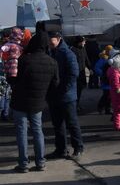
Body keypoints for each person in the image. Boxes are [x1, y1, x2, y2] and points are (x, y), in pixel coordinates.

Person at [11, 31, 59, 172]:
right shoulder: (52, 62)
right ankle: (40, 162)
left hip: (20, 101)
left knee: (22, 132)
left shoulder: (24, 60)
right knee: (38, 131)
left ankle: (23, 164)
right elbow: (55, 84)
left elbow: (15, 79)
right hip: (38, 102)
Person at [46, 31, 84, 160]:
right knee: (57, 125)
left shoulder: (67, 53)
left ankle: (78, 147)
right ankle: (61, 149)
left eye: (52, 41)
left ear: (58, 39)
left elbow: (74, 73)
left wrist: (62, 89)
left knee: (71, 123)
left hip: (67, 96)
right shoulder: (51, 52)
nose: (50, 44)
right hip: (54, 95)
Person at [70, 36, 91, 111]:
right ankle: (74, 105)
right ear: (79, 42)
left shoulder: (83, 49)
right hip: (75, 73)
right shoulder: (72, 49)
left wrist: (90, 68)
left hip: (82, 73)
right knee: (75, 90)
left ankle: (77, 103)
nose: (85, 43)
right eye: (83, 41)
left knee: (80, 89)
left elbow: (86, 59)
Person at [94, 46, 113, 115]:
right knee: (106, 95)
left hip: (110, 79)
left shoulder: (111, 58)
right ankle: (100, 107)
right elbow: (96, 68)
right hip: (105, 80)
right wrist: (103, 74)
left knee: (109, 96)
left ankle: (108, 109)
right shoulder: (103, 59)